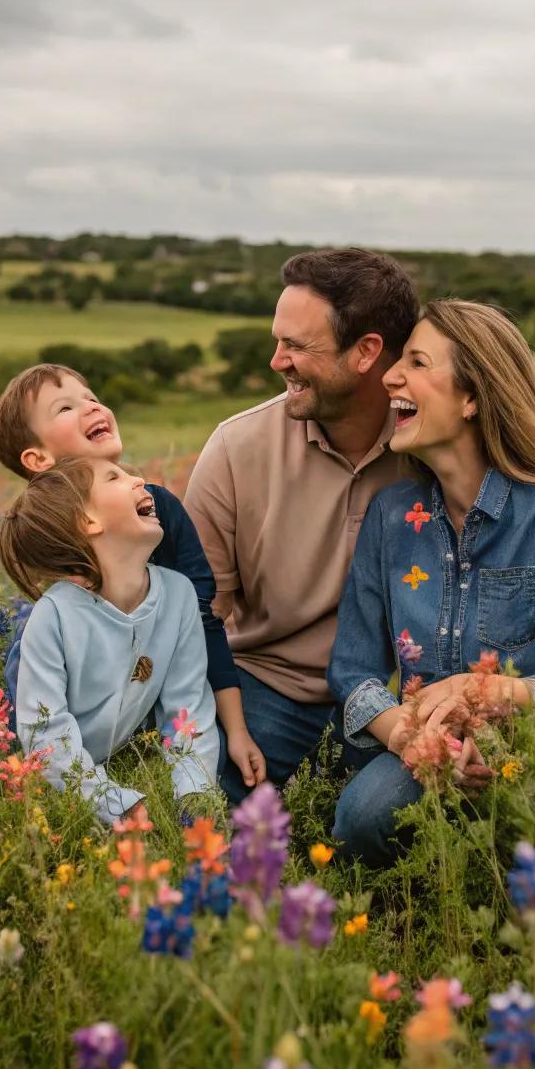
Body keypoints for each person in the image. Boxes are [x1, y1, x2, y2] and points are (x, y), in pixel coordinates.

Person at [328, 297, 535, 867]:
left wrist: (504, 695)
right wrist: (406, 735)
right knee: (362, 816)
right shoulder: (392, 517)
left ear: (472, 397)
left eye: (418, 363)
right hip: (422, 752)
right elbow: (352, 669)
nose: (392, 375)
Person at [184, 247, 420, 803]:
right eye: (277, 340)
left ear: (367, 353)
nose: (276, 361)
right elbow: (198, 611)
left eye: (295, 345)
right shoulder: (238, 446)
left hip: (401, 697)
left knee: (403, 828)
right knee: (199, 812)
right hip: (269, 686)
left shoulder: (430, 445)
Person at [0, 363, 244, 751]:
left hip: (161, 690)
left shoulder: (156, 508)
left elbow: (204, 619)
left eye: (91, 398)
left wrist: (236, 730)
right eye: (65, 408)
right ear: (38, 459)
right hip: (70, 711)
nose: (92, 407)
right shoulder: (48, 536)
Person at [0, 455, 219, 821]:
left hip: (123, 744)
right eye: (116, 477)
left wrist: (196, 796)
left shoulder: (178, 595)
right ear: (88, 522)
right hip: (49, 765)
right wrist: (111, 802)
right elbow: (46, 733)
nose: (139, 478)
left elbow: (188, 708)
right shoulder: (53, 617)